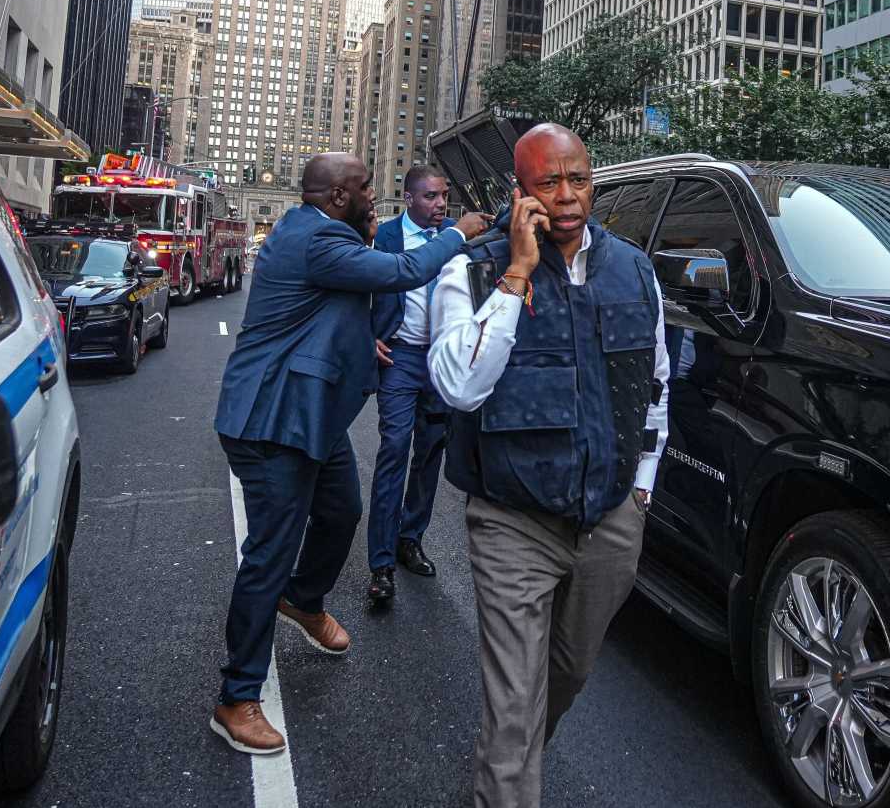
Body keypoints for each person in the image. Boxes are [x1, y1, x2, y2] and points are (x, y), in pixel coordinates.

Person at [210, 153, 490, 755]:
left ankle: (303, 600)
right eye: (366, 186)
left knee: (341, 512)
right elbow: (405, 269)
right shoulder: (319, 241)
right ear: (339, 196)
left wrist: (365, 340)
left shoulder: (322, 233)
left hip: (313, 416)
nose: (374, 194)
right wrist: (456, 233)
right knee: (268, 554)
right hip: (273, 420)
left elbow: (322, 310)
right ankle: (237, 698)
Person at [428, 124, 670, 808]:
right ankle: (505, 783)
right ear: (520, 191)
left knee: (566, 673)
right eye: (548, 183)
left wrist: (642, 491)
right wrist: (517, 272)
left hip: (611, 518)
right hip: (513, 522)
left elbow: (655, 385)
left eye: (579, 180)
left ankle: (510, 766)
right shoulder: (471, 269)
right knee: (511, 708)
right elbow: (457, 386)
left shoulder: (633, 269)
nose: (567, 197)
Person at [366, 165, 456, 601]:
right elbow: (359, 288)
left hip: (441, 361)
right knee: (395, 449)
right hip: (399, 357)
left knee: (430, 453)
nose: (440, 204)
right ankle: (380, 564)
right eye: (431, 197)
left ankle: (409, 538)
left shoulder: (457, 235)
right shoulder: (385, 237)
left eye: (444, 196)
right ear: (408, 199)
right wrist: (368, 336)